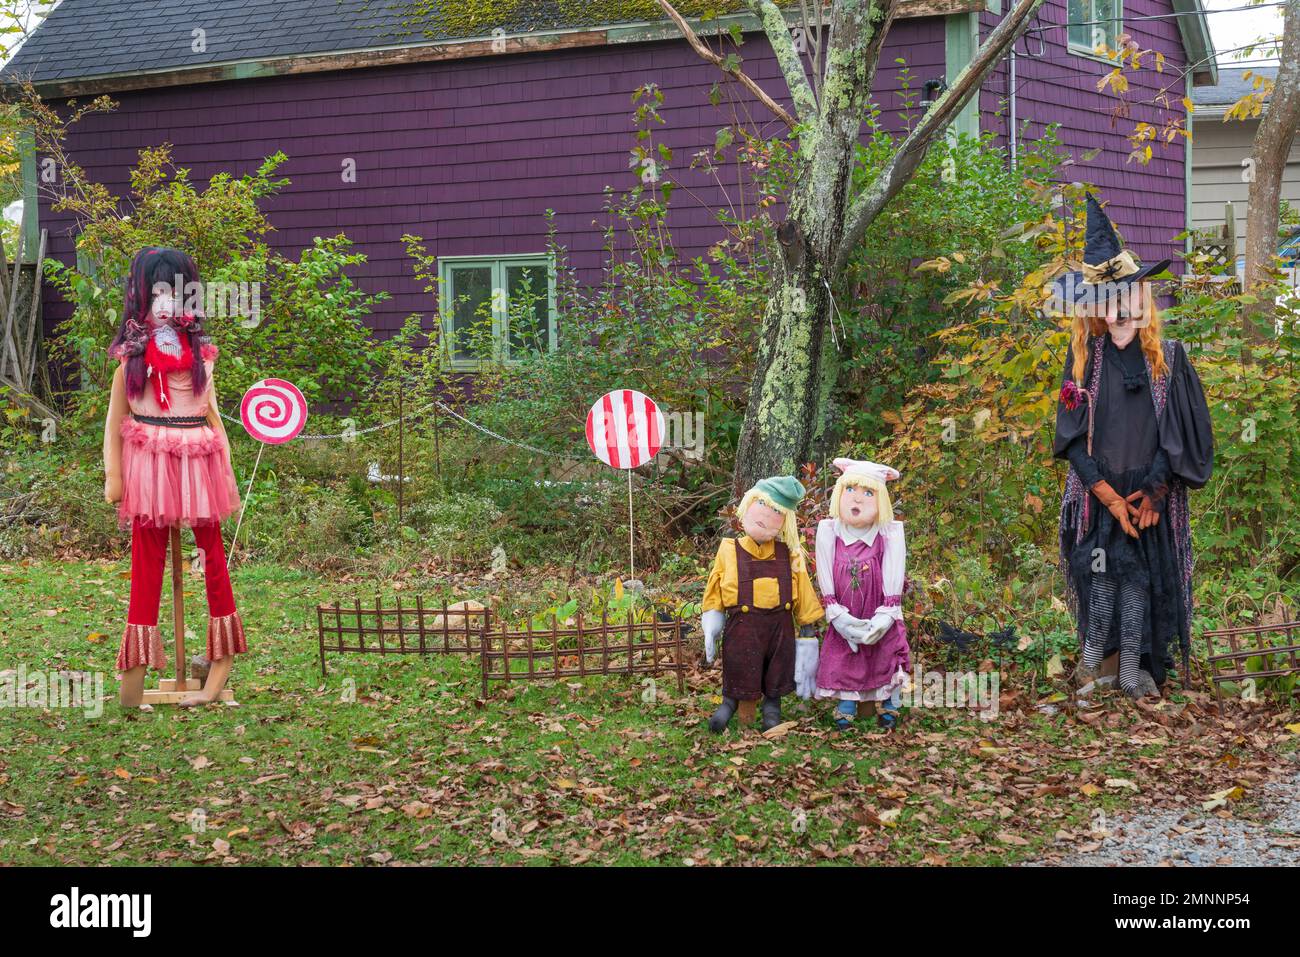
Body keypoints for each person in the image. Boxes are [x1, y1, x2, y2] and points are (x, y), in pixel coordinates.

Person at [1052, 196, 1214, 698]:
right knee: (1101, 578)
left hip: (1150, 497)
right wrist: (1107, 497)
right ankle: (1097, 665)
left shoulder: (1170, 359)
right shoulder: (1082, 363)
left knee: (1142, 581)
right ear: (1095, 310)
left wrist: (1152, 491)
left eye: (1129, 299)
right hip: (1100, 496)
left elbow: (1184, 435)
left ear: (1142, 302)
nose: (1121, 312)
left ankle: (1137, 670)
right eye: (1109, 302)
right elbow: (1070, 438)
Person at [104, 247, 245, 708]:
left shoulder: (201, 357)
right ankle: (133, 679)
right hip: (149, 466)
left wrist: (228, 473)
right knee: (146, 565)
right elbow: (114, 422)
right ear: (141, 297)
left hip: (198, 461)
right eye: (156, 292)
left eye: (174, 292)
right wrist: (114, 477)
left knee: (212, 556)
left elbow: (214, 416)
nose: (165, 304)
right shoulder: (132, 360)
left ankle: (219, 667)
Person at [701, 476, 823, 732]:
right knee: (740, 663)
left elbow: (802, 588)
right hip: (742, 627)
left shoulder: (788, 553)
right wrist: (712, 621)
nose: (767, 516)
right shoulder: (729, 550)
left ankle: (772, 707)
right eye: (763, 506)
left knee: (776, 668)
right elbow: (715, 588)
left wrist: (808, 631)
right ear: (747, 506)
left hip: (780, 629)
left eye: (776, 511)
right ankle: (729, 703)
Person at [811, 457, 910, 731]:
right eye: (850, 490)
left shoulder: (887, 534)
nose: (858, 499)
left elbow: (894, 573)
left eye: (868, 493)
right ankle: (846, 705)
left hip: (878, 613)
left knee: (885, 654)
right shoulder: (830, 531)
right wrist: (837, 615)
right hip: (844, 612)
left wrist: (886, 616)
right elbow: (824, 572)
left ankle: (890, 704)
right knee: (845, 658)